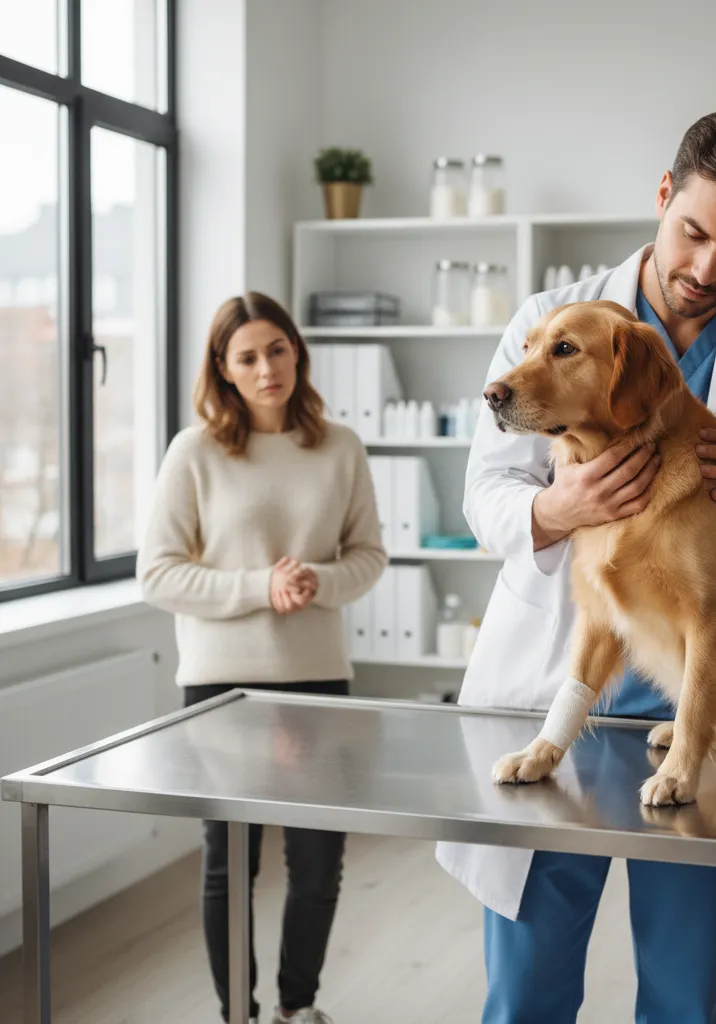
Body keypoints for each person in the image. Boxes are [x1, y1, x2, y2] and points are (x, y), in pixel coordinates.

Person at [436, 108, 716, 1023]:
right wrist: (559, 506)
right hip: (564, 698)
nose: (704, 271)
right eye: (693, 233)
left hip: (711, 732)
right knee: (526, 990)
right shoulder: (547, 320)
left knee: (684, 996)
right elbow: (484, 493)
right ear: (662, 196)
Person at [137, 291, 387, 1024]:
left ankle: (298, 1007)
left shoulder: (340, 446)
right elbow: (157, 574)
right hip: (221, 689)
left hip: (317, 682)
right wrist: (259, 586)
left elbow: (369, 556)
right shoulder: (196, 453)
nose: (267, 367)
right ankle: (235, 1014)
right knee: (230, 863)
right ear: (223, 368)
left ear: (297, 351)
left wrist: (318, 582)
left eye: (277, 349)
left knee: (317, 863)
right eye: (247, 356)